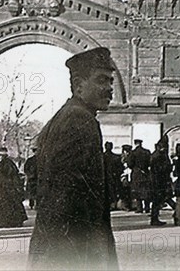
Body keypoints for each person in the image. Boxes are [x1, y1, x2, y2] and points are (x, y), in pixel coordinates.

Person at [28, 47, 118, 270]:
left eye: (110, 82)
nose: (109, 89)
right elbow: (66, 195)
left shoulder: (68, 115)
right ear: (78, 85)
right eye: (101, 80)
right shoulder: (80, 119)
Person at [0, 148, 27, 228]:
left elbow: (14, 176)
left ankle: (13, 221)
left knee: (10, 204)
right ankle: (0, 222)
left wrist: (16, 187)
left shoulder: (9, 163)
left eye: (0, 155)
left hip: (8, 187)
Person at [149, 136, 173, 226]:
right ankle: (154, 218)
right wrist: (169, 167)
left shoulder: (157, 155)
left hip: (159, 180)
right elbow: (160, 169)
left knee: (161, 198)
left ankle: (154, 218)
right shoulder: (159, 156)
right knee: (158, 199)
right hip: (159, 181)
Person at [127, 139, 151, 214]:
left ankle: (139, 208)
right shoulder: (147, 152)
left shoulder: (133, 153)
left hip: (136, 173)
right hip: (145, 173)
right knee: (146, 190)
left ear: (135, 143)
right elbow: (150, 162)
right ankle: (147, 207)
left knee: (137, 191)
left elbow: (130, 164)